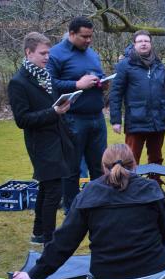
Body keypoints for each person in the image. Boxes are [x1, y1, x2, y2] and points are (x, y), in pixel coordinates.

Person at [11, 144, 165, 279]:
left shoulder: (88, 193)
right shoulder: (151, 188)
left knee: (164, 240)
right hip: (154, 277)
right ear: (135, 165)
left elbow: (64, 242)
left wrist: (34, 274)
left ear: (103, 167)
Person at [8, 32, 73, 245]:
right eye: (43, 53)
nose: (47, 57)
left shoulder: (45, 76)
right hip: (40, 144)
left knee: (47, 188)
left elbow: (52, 106)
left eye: (48, 53)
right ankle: (49, 240)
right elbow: (22, 119)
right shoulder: (18, 82)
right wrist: (54, 112)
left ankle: (38, 233)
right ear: (29, 53)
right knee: (54, 191)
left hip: (58, 138)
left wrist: (63, 106)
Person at [47, 16, 108, 212]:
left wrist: (102, 83)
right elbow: (49, 84)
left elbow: (95, 78)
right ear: (71, 34)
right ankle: (72, 209)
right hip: (73, 119)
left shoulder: (92, 54)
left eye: (91, 36)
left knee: (99, 166)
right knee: (71, 168)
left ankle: (98, 204)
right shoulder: (56, 54)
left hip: (97, 118)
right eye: (84, 37)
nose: (88, 40)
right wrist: (76, 84)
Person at [110, 30, 165, 167]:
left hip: (158, 120)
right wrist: (115, 120)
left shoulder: (159, 65)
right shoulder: (124, 65)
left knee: (156, 159)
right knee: (131, 159)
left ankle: (155, 186)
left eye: (146, 41)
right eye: (140, 41)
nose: (144, 44)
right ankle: (131, 187)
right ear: (134, 44)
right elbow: (116, 93)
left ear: (151, 44)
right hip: (136, 120)